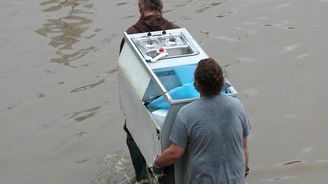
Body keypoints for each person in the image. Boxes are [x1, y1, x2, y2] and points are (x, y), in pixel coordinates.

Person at [154, 58, 252, 183]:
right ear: (221, 82)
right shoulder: (237, 106)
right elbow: (244, 146)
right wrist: (244, 171)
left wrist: (157, 165)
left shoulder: (186, 113)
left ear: (197, 85)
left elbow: (175, 153)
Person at [120, 0, 179, 183]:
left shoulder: (131, 34)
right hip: (172, 97)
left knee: (134, 132)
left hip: (142, 96)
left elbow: (124, 70)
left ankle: (142, 178)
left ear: (140, 8)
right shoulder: (175, 31)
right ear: (162, 7)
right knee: (170, 134)